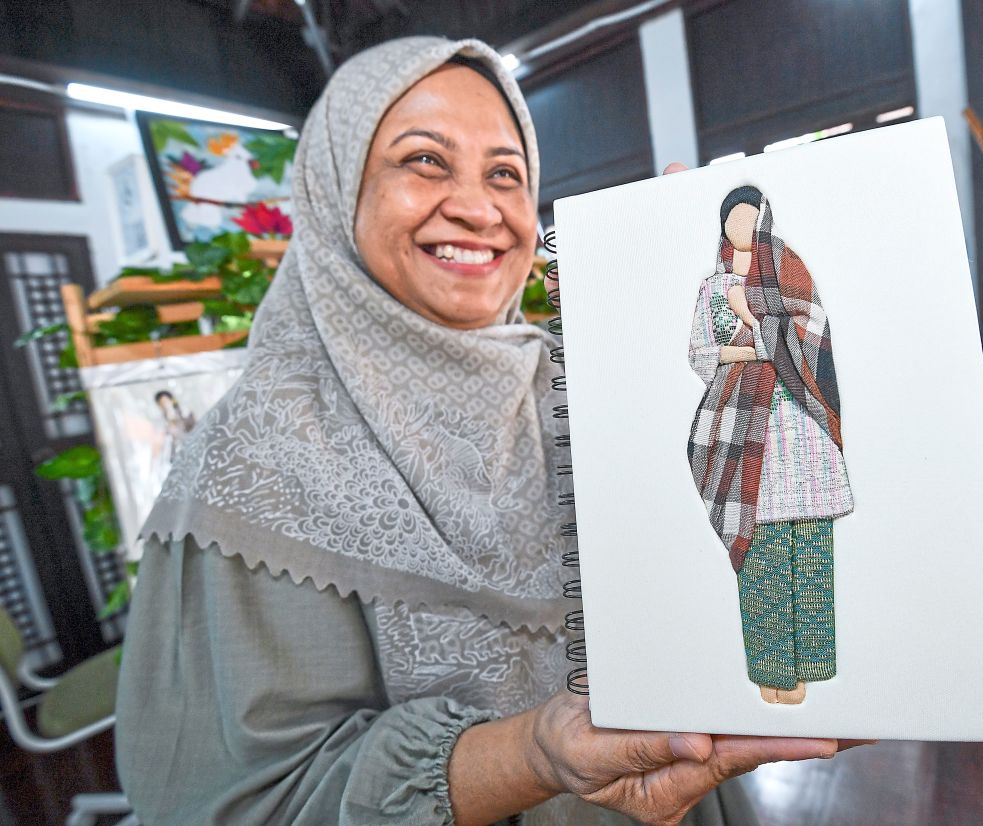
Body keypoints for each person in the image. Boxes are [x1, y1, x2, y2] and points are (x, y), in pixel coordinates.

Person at [116, 37, 862, 826]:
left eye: (505, 174)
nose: (478, 208)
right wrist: (532, 757)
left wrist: (667, 281)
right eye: (424, 161)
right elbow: (244, 798)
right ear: (336, 191)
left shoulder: (568, 389)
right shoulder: (256, 458)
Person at [687, 187, 853, 706]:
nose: (741, 226)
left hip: (801, 424)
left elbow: (811, 337)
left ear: (764, 218)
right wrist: (752, 342)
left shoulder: (787, 270)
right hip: (739, 423)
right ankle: (771, 669)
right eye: (732, 218)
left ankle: (813, 664)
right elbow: (700, 354)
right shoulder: (712, 287)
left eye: (749, 216)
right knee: (761, 552)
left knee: (811, 546)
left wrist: (754, 322)